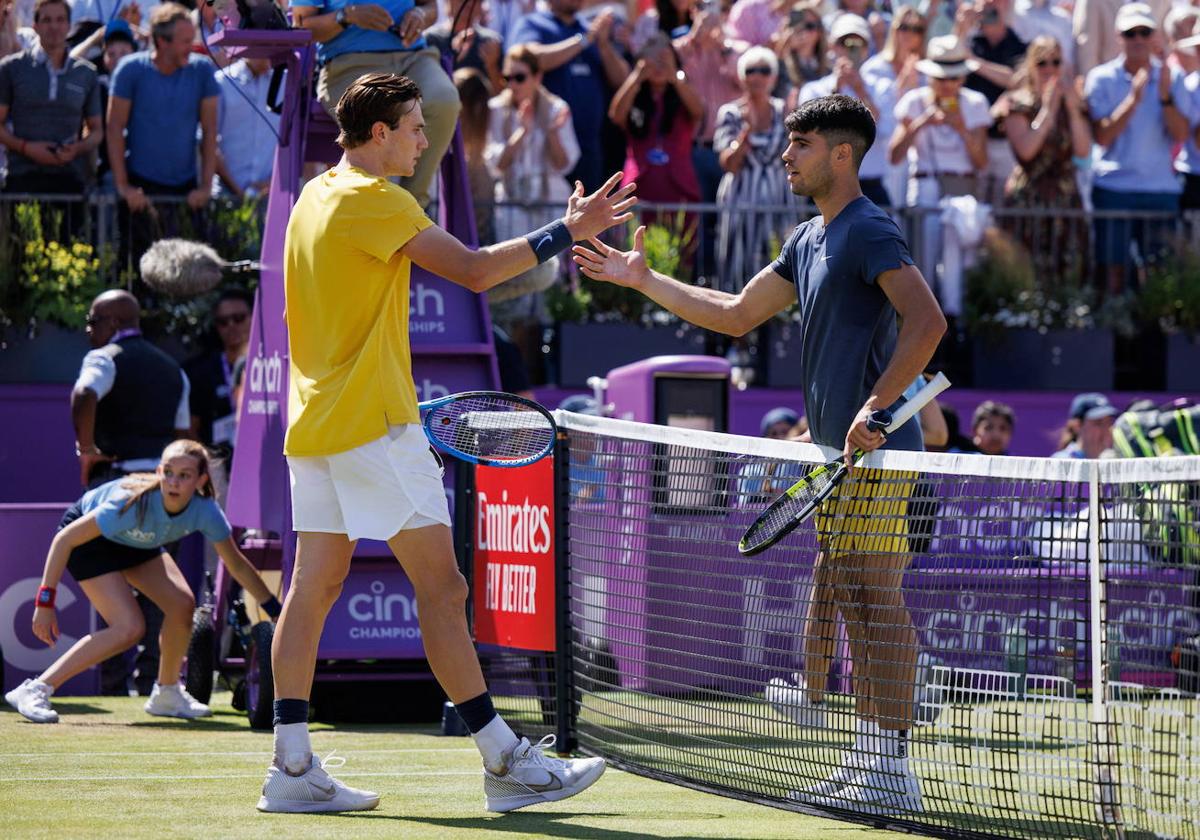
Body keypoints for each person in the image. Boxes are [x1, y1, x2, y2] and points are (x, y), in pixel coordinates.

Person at [263, 72, 634, 814]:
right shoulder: (374, 199)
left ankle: (291, 767)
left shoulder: (313, 195)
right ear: (378, 135)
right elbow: (471, 271)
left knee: (311, 590)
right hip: (371, 427)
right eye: (413, 127)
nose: (424, 140)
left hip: (316, 425)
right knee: (445, 590)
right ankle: (504, 761)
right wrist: (571, 229)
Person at [573, 93, 947, 814]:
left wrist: (878, 407)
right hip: (838, 459)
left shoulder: (870, 229)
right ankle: (871, 761)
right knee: (855, 602)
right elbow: (736, 314)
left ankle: (894, 769)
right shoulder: (808, 238)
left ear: (841, 155)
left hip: (880, 455)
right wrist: (641, 278)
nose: (785, 154)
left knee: (876, 599)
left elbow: (926, 322)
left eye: (800, 143)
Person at [5, 440, 282, 725]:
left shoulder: (206, 511)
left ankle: (166, 692)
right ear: (159, 471)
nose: (173, 482)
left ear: (201, 480)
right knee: (129, 628)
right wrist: (45, 601)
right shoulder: (131, 503)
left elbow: (236, 563)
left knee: (182, 606)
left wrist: (276, 609)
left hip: (137, 542)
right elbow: (64, 540)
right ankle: (36, 689)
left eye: (185, 475)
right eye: (169, 472)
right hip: (90, 544)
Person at [291, 0, 457, 211]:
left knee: (444, 101)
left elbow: (430, 8)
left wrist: (419, 15)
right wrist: (347, 16)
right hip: (348, 63)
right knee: (377, 113)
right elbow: (303, 24)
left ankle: (411, 211)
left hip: (414, 57)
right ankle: (377, 211)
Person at [1085, 3, 1191, 294]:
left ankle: (1155, 333)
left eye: (1145, 32)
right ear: (1119, 36)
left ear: (1154, 35)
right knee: (1113, 273)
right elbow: (1103, 136)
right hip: (1114, 189)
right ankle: (1115, 328)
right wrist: (1133, 99)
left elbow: (1181, 134)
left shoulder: (1173, 78)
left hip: (1160, 192)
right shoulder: (1101, 78)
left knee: (1160, 274)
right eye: (1131, 33)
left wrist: (1165, 95)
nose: (1138, 39)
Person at [107, 2, 219, 273]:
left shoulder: (202, 71)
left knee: (188, 274)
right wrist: (124, 187)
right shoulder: (130, 70)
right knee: (137, 273)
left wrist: (205, 187)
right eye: (184, 41)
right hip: (141, 192)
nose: (190, 48)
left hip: (185, 192)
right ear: (161, 41)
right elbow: (114, 128)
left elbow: (210, 132)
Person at [889, 35, 989, 294]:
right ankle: (927, 325)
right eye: (942, 78)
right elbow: (895, 155)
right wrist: (921, 122)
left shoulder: (975, 103)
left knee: (959, 261)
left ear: (963, 78)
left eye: (953, 78)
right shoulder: (914, 101)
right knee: (923, 261)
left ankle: (955, 322)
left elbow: (981, 162)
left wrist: (962, 128)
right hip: (925, 187)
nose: (947, 85)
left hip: (962, 189)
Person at [509, 0, 630, 192]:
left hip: (589, 149)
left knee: (587, 218)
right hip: (547, 148)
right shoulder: (532, 23)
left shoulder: (590, 29)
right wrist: (582, 40)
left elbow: (622, 79)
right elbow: (530, 59)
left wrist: (604, 45)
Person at [1001, 35, 1091, 282]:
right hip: (1028, 200)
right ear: (1031, 66)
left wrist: (1072, 109)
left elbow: (1083, 152)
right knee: (1025, 273)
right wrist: (1048, 111)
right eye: (1042, 62)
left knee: (1068, 272)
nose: (1049, 69)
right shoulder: (1017, 103)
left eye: (1056, 62)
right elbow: (1026, 151)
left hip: (1065, 199)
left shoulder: (1073, 102)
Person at [0, 0, 102, 205]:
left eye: (60, 20)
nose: (54, 26)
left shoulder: (86, 73)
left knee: (70, 239)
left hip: (70, 182)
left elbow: (97, 131)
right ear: (35, 26)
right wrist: (26, 147)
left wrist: (78, 148)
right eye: (46, 20)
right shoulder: (12, 68)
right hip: (22, 180)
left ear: (69, 25)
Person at [714, 45, 797, 293]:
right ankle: (734, 327)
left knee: (779, 261)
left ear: (773, 77)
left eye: (764, 70)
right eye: (751, 70)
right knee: (737, 265)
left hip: (778, 197)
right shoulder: (730, 112)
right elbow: (729, 164)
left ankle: (778, 327)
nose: (757, 76)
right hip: (740, 198)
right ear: (742, 76)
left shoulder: (785, 111)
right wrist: (745, 135)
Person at [609, 33, 703, 252]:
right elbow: (616, 115)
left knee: (679, 254)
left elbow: (698, 111)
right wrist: (637, 76)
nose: (658, 65)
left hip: (678, 189)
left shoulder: (682, 95)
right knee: (634, 250)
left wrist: (674, 75)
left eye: (664, 58)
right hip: (639, 188)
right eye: (653, 58)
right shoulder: (636, 97)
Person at [797, 14, 891, 206]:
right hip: (824, 185)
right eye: (844, 42)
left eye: (858, 43)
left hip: (870, 188)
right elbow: (809, 134)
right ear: (832, 46)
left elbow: (885, 131)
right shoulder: (813, 89)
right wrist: (836, 91)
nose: (850, 48)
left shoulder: (883, 87)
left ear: (866, 50)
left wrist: (860, 91)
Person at [954, 0, 1027, 202]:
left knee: (1004, 205)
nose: (990, 12)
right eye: (985, 8)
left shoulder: (1020, 45)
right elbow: (948, 65)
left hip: (1005, 142)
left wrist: (975, 63)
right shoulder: (970, 43)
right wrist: (962, 27)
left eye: (995, 7)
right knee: (974, 208)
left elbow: (1017, 79)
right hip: (973, 139)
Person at [861, 6, 928, 206]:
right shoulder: (874, 67)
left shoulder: (927, 69)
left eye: (917, 29)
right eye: (904, 27)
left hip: (917, 152)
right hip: (880, 153)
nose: (910, 34)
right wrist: (902, 86)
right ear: (894, 29)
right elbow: (874, 113)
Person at [185, 288, 252, 455]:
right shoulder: (201, 370)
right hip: (216, 461)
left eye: (239, 318)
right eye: (223, 321)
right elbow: (190, 427)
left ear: (254, 318)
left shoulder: (272, 364)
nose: (231, 326)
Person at [214, 56, 279, 199]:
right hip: (225, 193)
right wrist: (237, 191)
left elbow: (293, 143)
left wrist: (272, 183)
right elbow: (209, 143)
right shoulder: (222, 81)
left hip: (270, 196)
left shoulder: (285, 83)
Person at [425, 0, 504, 92]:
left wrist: (492, 67)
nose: (469, 4)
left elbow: (503, 93)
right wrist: (453, 55)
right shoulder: (431, 39)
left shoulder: (491, 42)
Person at [1053, 392, 1117, 458]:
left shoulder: (1112, 459)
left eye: (1109, 422)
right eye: (1098, 423)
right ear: (1077, 426)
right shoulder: (1062, 460)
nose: (1106, 428)